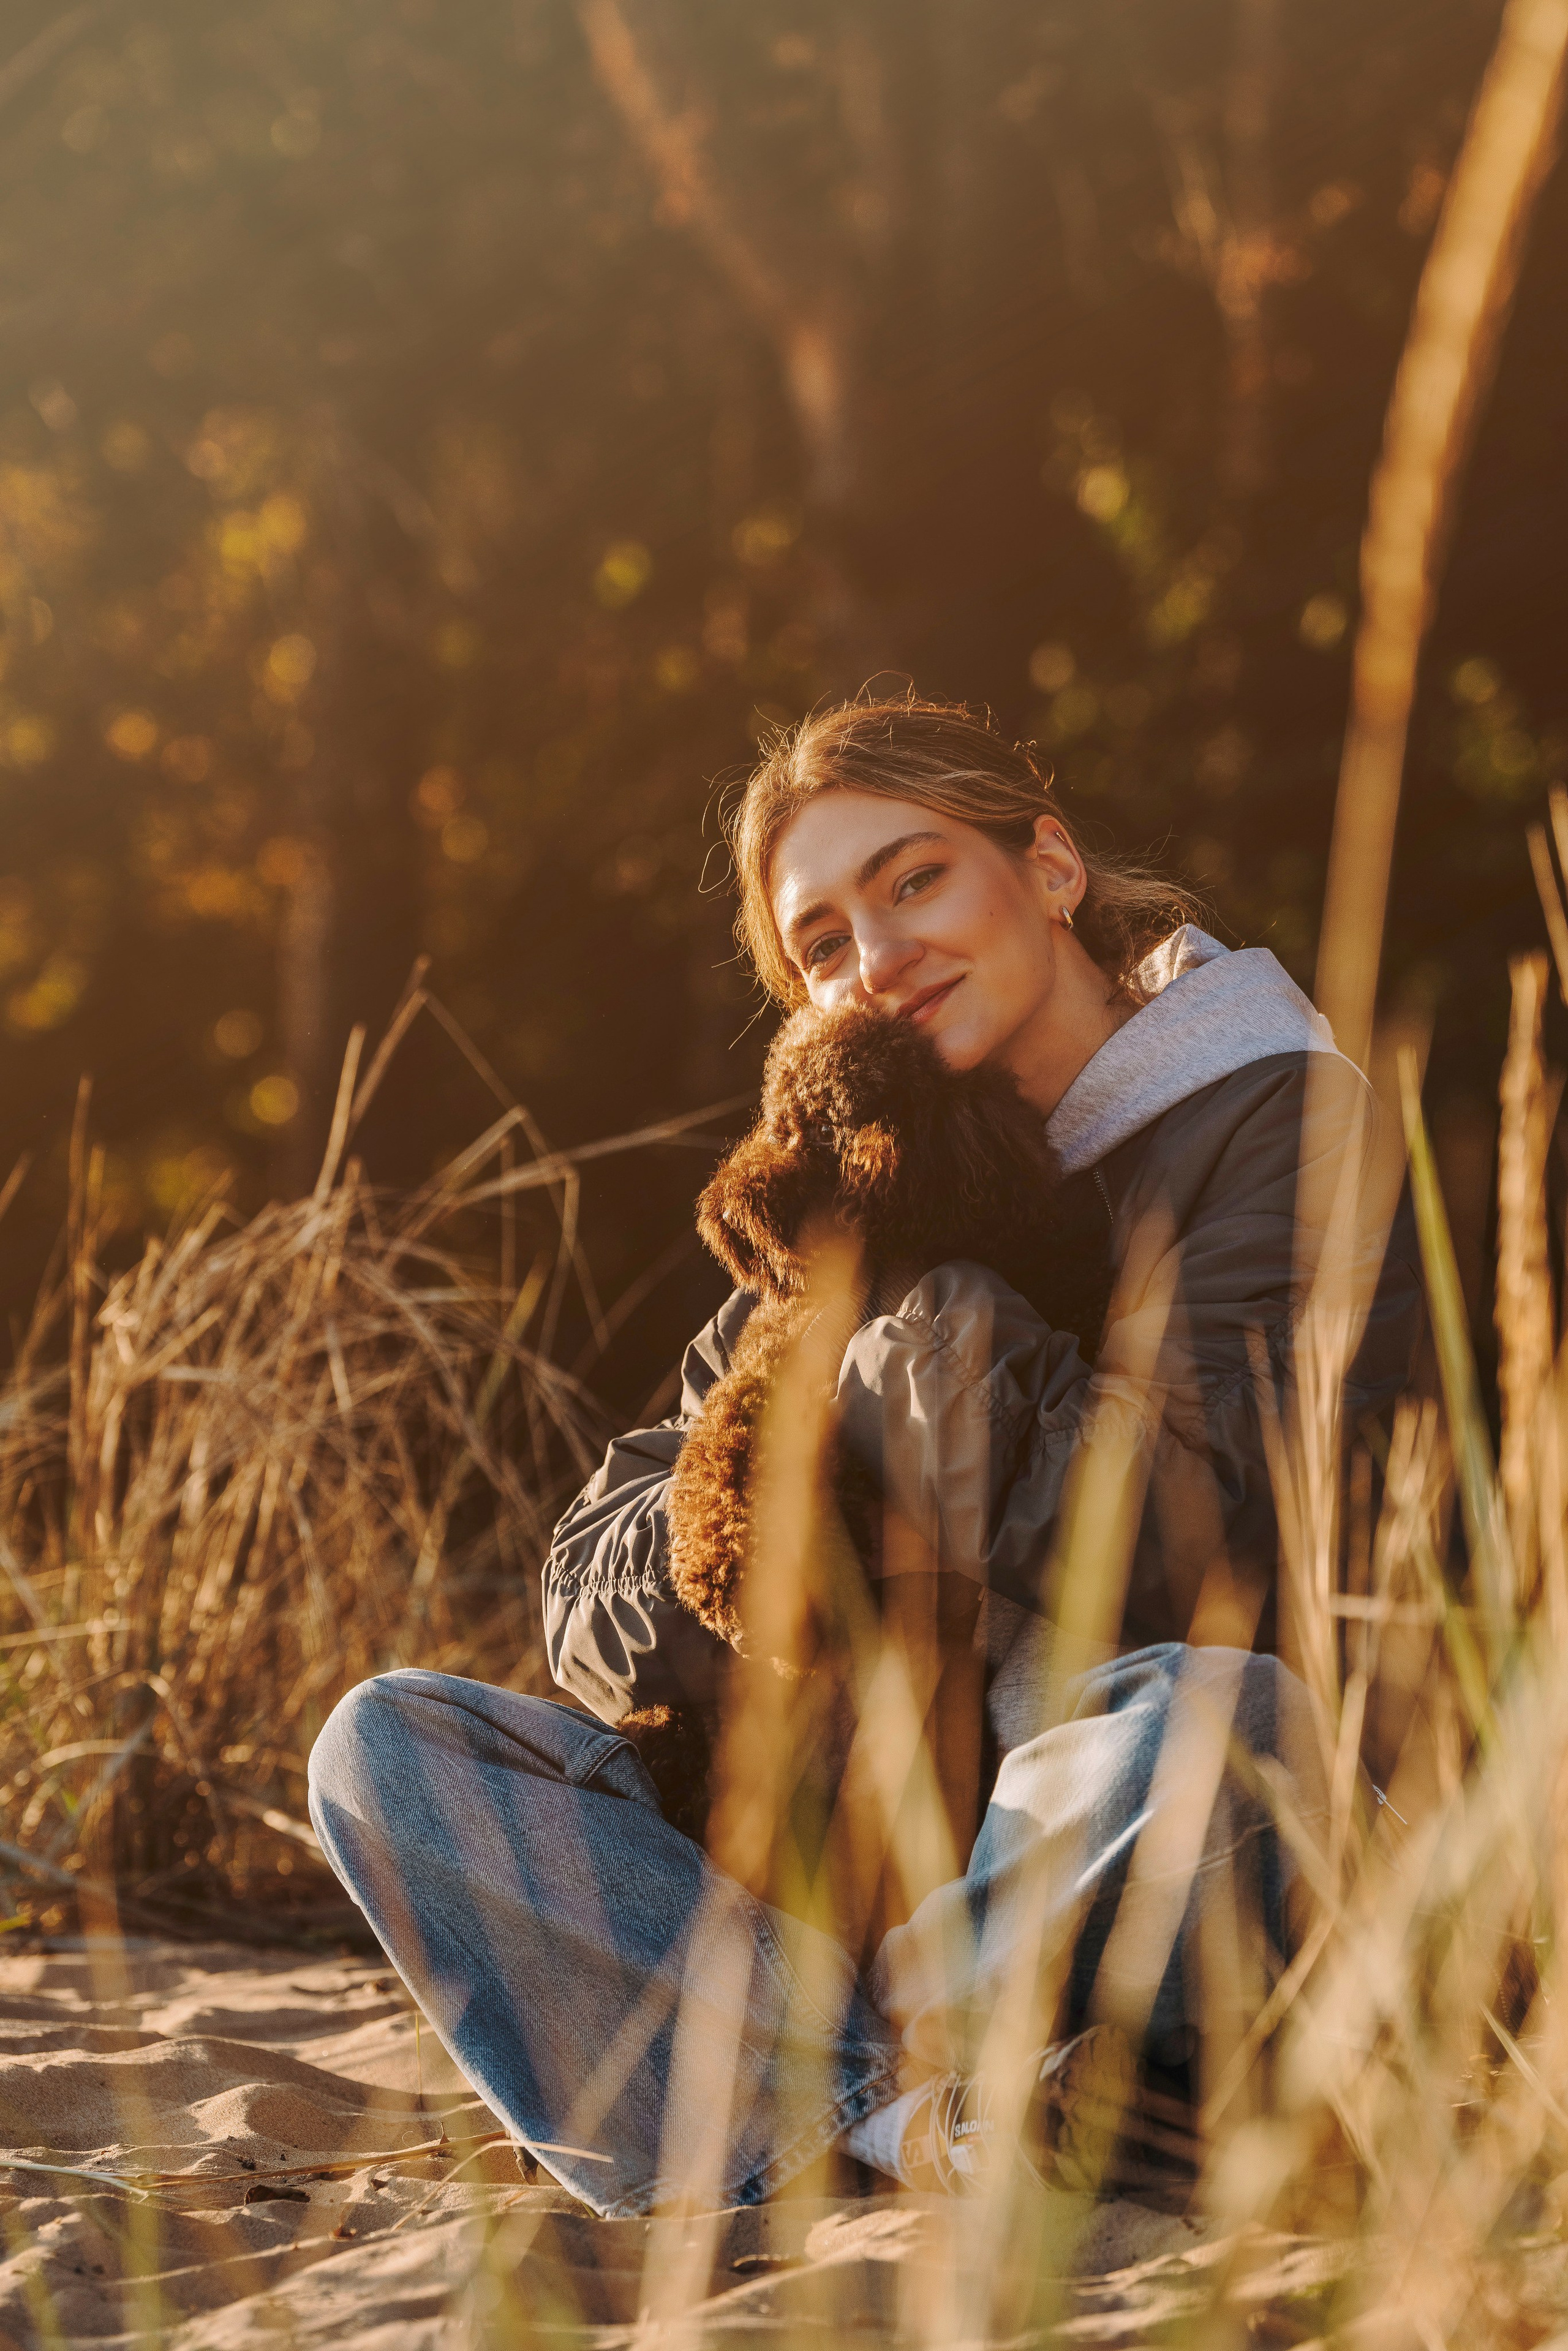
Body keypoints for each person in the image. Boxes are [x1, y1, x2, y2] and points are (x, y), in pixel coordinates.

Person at [308, 696, 1422, 2218]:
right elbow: (591, 1583)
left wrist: (916, 1331)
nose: (877, 957)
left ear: (1047, 868)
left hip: (1115, 1811)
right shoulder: (847, 1176)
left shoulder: (1272, 1113)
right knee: (388, 1745)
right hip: (870, 1840)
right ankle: (914, 2112)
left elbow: (1199, 1540)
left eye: (914, 881)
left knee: (1223, 1719)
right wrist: (767, 1526)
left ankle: (791, 2078)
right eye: (821, 942)